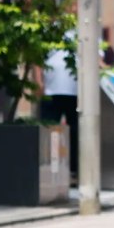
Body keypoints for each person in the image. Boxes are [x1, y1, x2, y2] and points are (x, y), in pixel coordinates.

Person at [39, 31, 80, 175]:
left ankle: (74, 169)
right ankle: (48, 168)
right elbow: (36, 59)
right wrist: (38, 82)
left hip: (76, 92)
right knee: (49, 131)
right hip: (51, 91)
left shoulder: (84, 28)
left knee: (75, 133)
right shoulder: (48, 30)